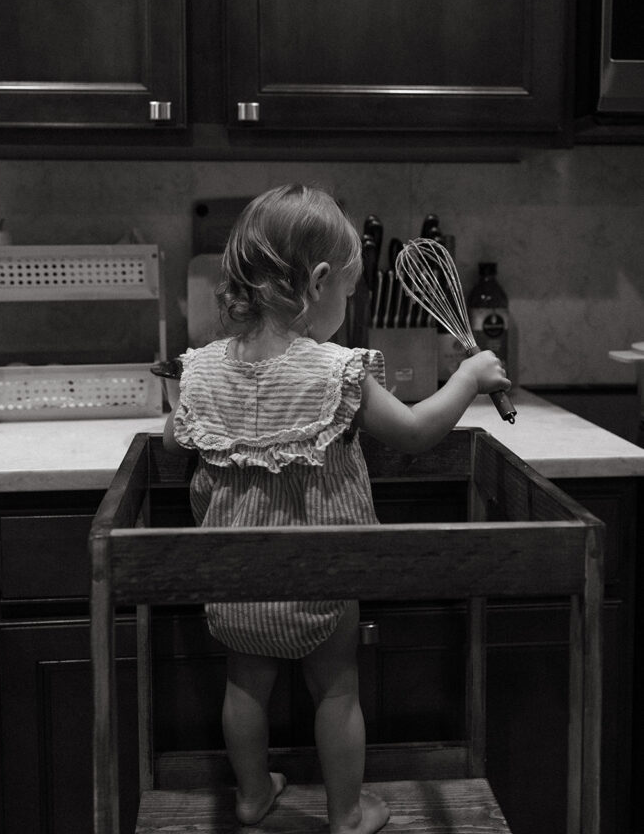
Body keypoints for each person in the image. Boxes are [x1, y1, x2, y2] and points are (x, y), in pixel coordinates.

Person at [164, 184, 510, 834]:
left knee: (244, 686)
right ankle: (346, 814)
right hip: (324, 579)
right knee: (337, 689)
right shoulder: (336, 372)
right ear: (319, 282)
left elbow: (171, 437)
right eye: (348, 292)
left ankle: (249, 796)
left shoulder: (202, 368)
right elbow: (411, 431)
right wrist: (468, 379)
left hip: (232, 584)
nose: (347, 306)